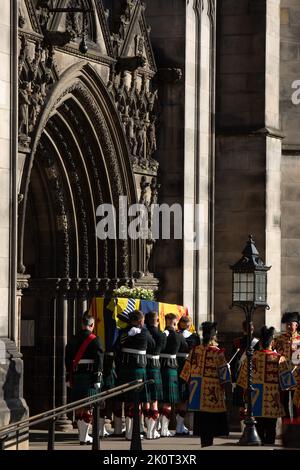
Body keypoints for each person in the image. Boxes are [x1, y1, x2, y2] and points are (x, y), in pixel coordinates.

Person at [237, 326, 294, 445]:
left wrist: (242, 402)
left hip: (255, 401)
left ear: (261, 342)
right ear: (272, 342)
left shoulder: (251, 358)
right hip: (272, 403)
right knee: (271, 431)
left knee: (258, 431)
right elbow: (288, 384)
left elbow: (242, 382)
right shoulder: (279, 358)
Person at [180, 321, 231, 447]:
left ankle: (205, 444)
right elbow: (224, 376)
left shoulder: (195, 350)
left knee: (202, 424)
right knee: (211, 424)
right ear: (213, 335)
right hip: (212, 394)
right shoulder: (218, 353)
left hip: (197, 393)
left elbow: (186, 371)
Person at [114, 310, 155, 440]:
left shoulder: (124, 332)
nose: (143, 322)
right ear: (139, 321)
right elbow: (152, 345)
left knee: (128, 401)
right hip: (138, 368)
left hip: (125, 368)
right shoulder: (143, 332)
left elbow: (117, 347)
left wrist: (128, 334)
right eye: (142, 320)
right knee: (135, 402)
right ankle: (133, 432)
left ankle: (129, 432)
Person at [65, 312, 104, 445]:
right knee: (87, 406)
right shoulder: (95, 339)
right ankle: (85, 436)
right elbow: (99, 360)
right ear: (92, 325)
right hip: (90, 376)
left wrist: (68, 376)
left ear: (82, 325)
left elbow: (67, 360)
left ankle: (82, 436)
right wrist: (98, 377)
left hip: (76, 375)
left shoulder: (73, 339)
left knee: (79, 406)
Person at [160, 313, 189, 437]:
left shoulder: (160, 334)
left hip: (160, 365)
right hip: (172, 366)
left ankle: (159, 428)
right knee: (169, 399)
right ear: (175, 322)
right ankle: (165, 429)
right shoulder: (178, 336)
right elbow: (185, 348)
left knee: (161, 399)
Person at [231, 320, 259, 425]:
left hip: (239, 375)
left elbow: (234, 363)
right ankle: (250, 424)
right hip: (252, 374)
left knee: (242, 403)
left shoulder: (237, 342)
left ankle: (243, 426)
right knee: (251, 400)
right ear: (253, 328)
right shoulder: (258, 342)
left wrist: (233, 378)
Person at [143, 311, 167, 439]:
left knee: (146, 399)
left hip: (144, 365)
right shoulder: (161, 335)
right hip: (155, 365)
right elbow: (162, 349)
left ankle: (147, 429)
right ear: (157, 321)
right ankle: (151, 432)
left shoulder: (144, 332)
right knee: (154, 400)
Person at [176, 315, 200, 435]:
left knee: (180, 396)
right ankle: (180, 426)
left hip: (175, 365)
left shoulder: (175, 334)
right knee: (185, 396)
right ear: (189, 325)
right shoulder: (195, 337)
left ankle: (180, 425)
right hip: (189, 366)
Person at [274, 312, 300, 419]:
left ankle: (296, 428)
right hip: (284, 375)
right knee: (283, 402)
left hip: (297, 377)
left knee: (296, 404)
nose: (289, 326)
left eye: (291, 324)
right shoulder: (279, 339)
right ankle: (286, 428)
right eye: (287, 324)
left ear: (296, 325)